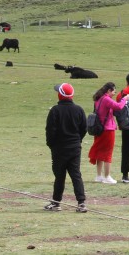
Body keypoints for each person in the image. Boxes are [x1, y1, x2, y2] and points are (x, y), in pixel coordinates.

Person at [44, 82, 88, 212]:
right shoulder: (79, 110)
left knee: (59, 176)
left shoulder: (55, 110)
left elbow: (50, 131)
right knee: (76, 175)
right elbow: (84, 129)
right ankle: (81, 203)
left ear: (60, 95)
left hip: (59, 149)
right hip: (74, 148)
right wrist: (77, 140)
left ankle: (56, 203)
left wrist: (51, 144)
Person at [87, 82, 128, 184]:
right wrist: (124, 99)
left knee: (100, 153)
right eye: (114, 91)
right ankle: (107, 176)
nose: (114, 93)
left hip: (99, 129)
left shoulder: (98, 98)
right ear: (109, 90)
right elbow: (118, 106)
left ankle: (99, 176)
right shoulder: (106, 99)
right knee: (107, 153)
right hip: (107, 130)